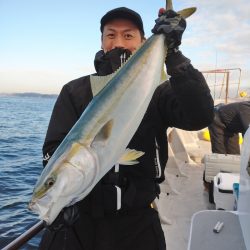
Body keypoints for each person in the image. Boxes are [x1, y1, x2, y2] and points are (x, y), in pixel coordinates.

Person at [39, 7, 214, 250]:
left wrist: (173, 55)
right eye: (110, 35)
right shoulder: (75, 91)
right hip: (80, 222)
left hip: (138, 223)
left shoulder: (159, 90)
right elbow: (52, 150)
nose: (118, 42)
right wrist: (62, 199)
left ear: (143, 41)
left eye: (128, 35)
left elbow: (200, 116)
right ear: (101, 41)